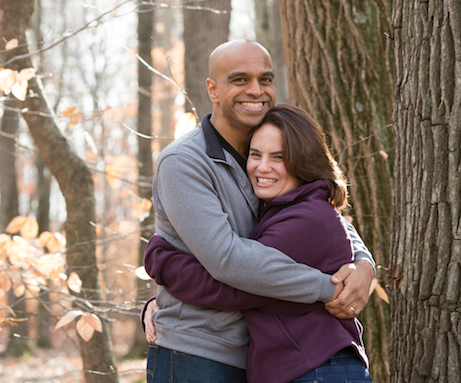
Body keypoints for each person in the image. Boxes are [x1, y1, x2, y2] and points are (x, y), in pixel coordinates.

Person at [142, 39, 376, 382]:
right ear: (213, 88)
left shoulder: (274, 148)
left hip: (262, 356)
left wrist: (364, 263)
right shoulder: (184, 163)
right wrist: (328, 287)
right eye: (240, 80)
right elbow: (228, 261)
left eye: (265, 79)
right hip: (197, 351)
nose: (256, 90)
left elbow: (321, 213)